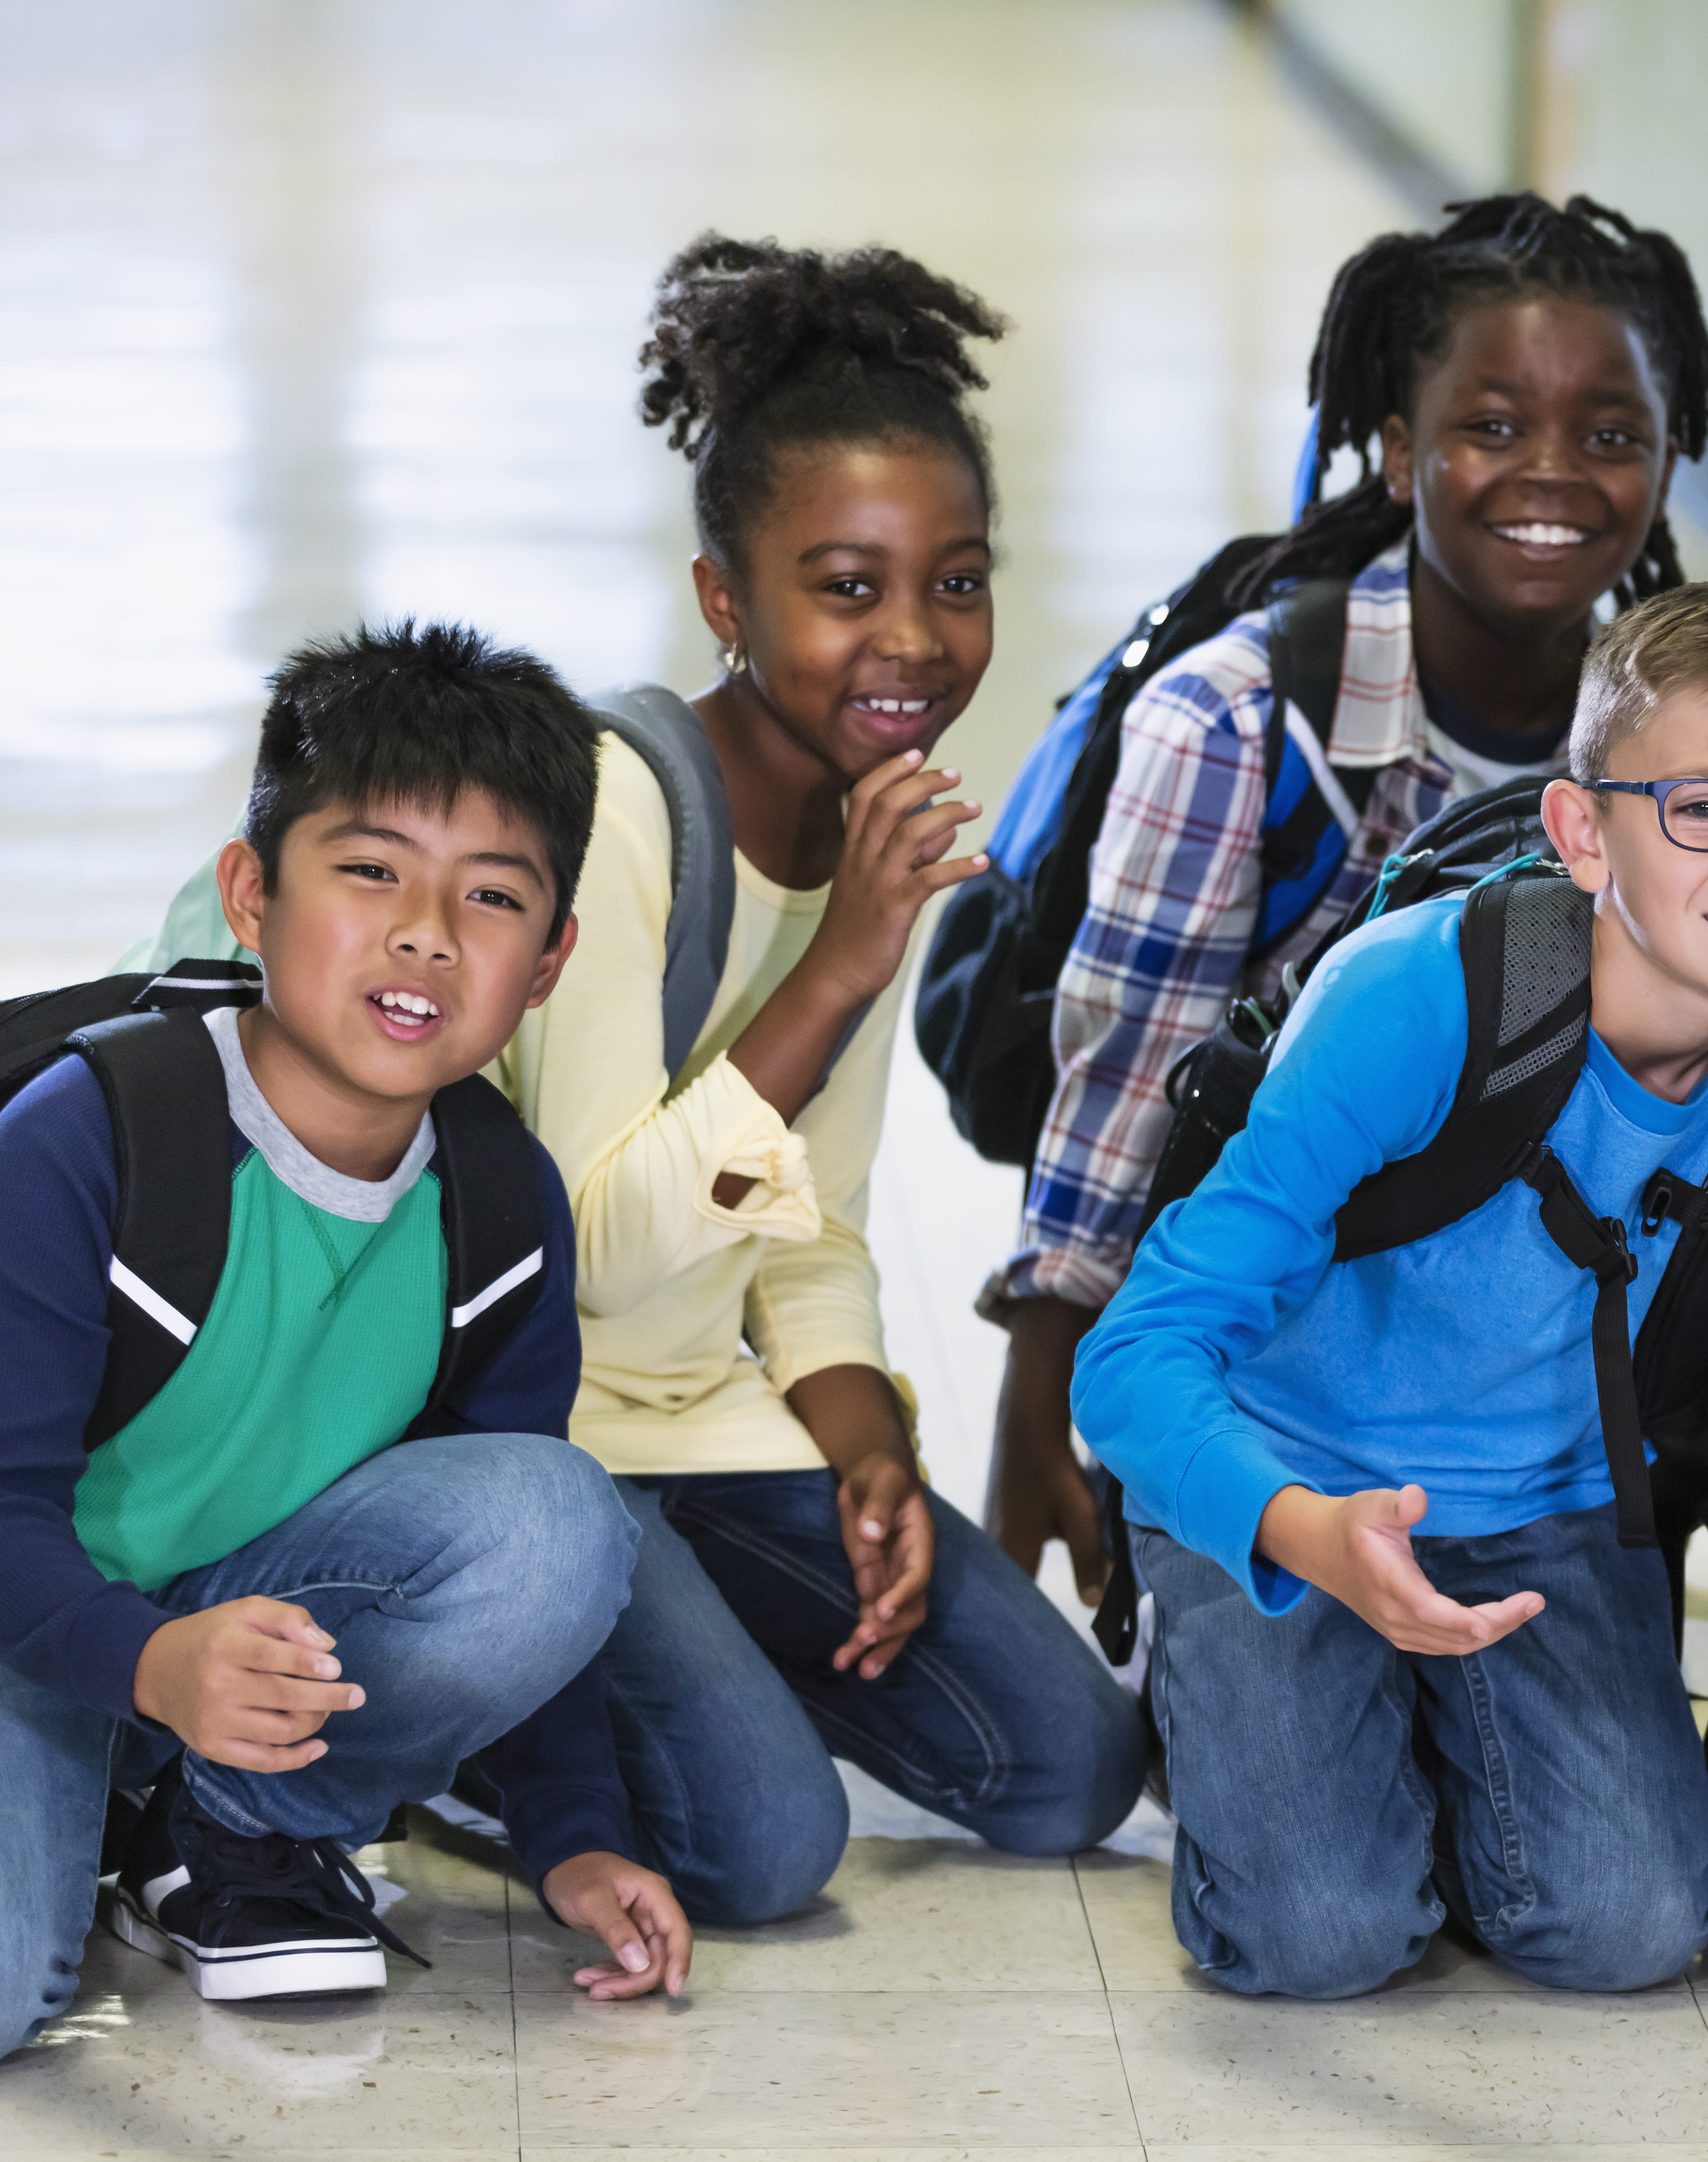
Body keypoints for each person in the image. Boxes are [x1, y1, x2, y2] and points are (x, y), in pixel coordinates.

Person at [1071, 581, 1708, 2038]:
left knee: (1636, 1926)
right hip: (1287, 1476)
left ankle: (1399, 1741)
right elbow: (1132, 1358)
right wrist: (1299, 1531)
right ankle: (1232, 1670)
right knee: (1323, 1934)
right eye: (1704, 809)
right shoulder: (1413, 998)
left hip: (1548, 1511)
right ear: (1579, 831)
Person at [492, 235, 1139, 1923]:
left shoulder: (874, 822)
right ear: (726, 598)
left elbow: (810, 1227)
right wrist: (845, 959)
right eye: (844, 586)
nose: (913, 640)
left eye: (959, 579)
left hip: (701, 1427)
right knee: (773, 1846)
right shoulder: (616, 803)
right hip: (533, 1437)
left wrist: (863, 1449)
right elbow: (596, 1262)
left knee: (1068, 1765)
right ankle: (463, 1731)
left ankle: (686, 1649)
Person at [987, 193, 1708, 1602]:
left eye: (1612, 435)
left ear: (1670, 460)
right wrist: (1047, 1407)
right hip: (1266, 1366)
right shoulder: (1238, 725)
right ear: (1398, 448)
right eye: (1492, 426)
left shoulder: (1693, 743)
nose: (1553, 474)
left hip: (1537, 1398)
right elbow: (1126, 1091)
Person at [2, 625, 683, 2047]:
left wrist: (572, 1833)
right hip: (34, 1617)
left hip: (240, 1623)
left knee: (558, 1516)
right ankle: (122, 1773)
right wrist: (145, 1667)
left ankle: (233, 1821)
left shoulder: (496, 1202)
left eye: (491, 895)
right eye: (369, 869)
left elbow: (513, 1532)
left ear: (549, 959)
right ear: (250, 892)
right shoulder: (86, 1142)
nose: (426, 930)